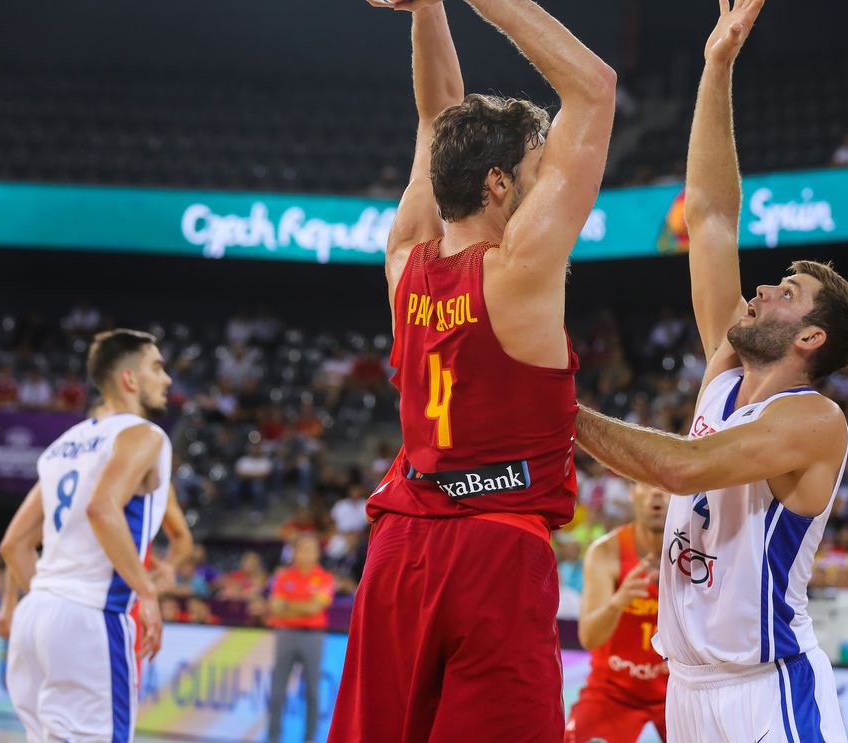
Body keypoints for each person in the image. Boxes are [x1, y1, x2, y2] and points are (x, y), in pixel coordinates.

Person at [573, 2, 848, 739]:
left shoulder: (813, 419)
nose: (763, 288)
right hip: (688, 686)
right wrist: (717, 65)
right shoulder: (727, 367)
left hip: (766, 688)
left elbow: (683, 468)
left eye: (787, 292)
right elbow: (708, 213)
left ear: (810, 336)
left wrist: (554, 406)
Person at [329, 0, 616, 739]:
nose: (545, 178)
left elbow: (435, 118)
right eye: (535, 167)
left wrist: (426, 10)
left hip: (399, 547)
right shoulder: (520, 269)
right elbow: (594, 87)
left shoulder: (404, 260)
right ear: (498, 185)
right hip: (495, 548)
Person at [0, 329, 176, 743]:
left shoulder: (62, 445)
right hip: (91, 616)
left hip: (35, 614)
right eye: (156, 367)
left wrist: (55, 598)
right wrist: (147, 592)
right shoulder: (144, 434)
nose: (166, 379)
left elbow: (13, 544)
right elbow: (102, 508)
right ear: (129, 379)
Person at [566, 482, 669, 743]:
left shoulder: (700, 553)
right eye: (647, 483)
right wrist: (618, 602)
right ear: (632, 492)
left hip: (677, 689)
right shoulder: (606, 552)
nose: (656, 492)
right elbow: (589, 638)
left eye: (664, 484)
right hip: (613, 691)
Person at [268, 535, 335, 743]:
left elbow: (316, 607)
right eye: (303, 549)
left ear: (317, 554)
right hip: (286, 634)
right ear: (295, 553)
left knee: (312, 692)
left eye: (311, 549)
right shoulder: (283, 576)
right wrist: (303, 607)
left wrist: (288, 606)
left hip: (312, 636)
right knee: (278, 690)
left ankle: (310, 739)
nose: (307, 553)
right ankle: (273, 738)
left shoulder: (325, 578)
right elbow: (275, 607)